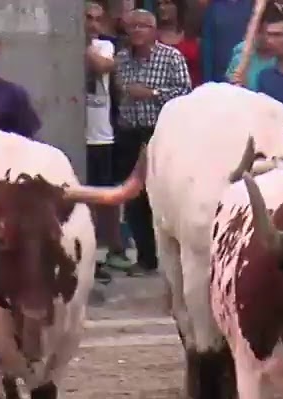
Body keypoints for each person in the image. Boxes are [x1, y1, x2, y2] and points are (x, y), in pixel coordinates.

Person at [112, 10, 191, 274]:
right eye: (132, 26)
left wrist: (152, 93)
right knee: (134, 198)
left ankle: (175, 257)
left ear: (154, 30)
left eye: (143, 26)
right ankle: (146, 258)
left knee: (166, 195)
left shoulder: (171, 57)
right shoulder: (121, 59)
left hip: (160, 133)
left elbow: (184, 93)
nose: (136, 31)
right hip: (129, 134)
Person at [83, 3, 127, 280]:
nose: (93, 23)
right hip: (74, 131)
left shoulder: (106, 47)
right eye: (88, 18)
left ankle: (110, 250)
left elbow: (102, 65)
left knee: (104, 196)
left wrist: (83, 43)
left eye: (99, 19)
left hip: (102, 132)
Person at [200, 0, 254, 87]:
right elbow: (207, 46)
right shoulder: (214, 8)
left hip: (245, 71)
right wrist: (207, 80)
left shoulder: (253, 6)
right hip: (218, 74)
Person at [156, 0, 200, 85]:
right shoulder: (152, 37)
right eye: (159, 4)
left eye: (167, 3)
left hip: (192, 93)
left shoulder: (192, 37)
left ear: (178, 6)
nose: (161, 8)